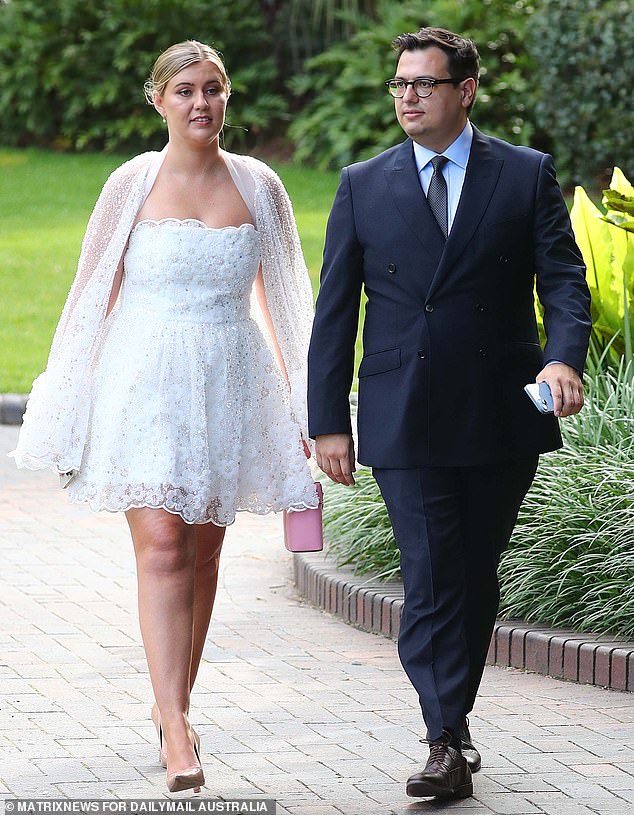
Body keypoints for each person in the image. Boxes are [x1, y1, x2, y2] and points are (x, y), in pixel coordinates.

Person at [10, 40, 319, 794]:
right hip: (143, 380)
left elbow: (287, 299)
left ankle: (172, 697)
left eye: (213, 89)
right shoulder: (130, 183)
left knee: (205, 553)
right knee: (160, 543)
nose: (201, 103)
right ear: (158, 100)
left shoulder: (261, 185)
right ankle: (178, 729)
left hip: (228, 383)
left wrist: (308, 404)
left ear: (227, 97)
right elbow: (91, 294)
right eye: (184, 90)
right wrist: (67, 398)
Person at [308, 27, 591, 801]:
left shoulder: (524, 173)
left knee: (472, 570)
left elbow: (564, 281)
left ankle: (453, 722)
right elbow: (335, 311)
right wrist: (328, 417)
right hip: (407, 409)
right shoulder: (364, 183)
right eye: (399, 83)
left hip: (500, 409)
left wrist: (561, 356)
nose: (407, 96)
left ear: (464, 91)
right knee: (431, 574)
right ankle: (442, 737)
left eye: (424, 84)